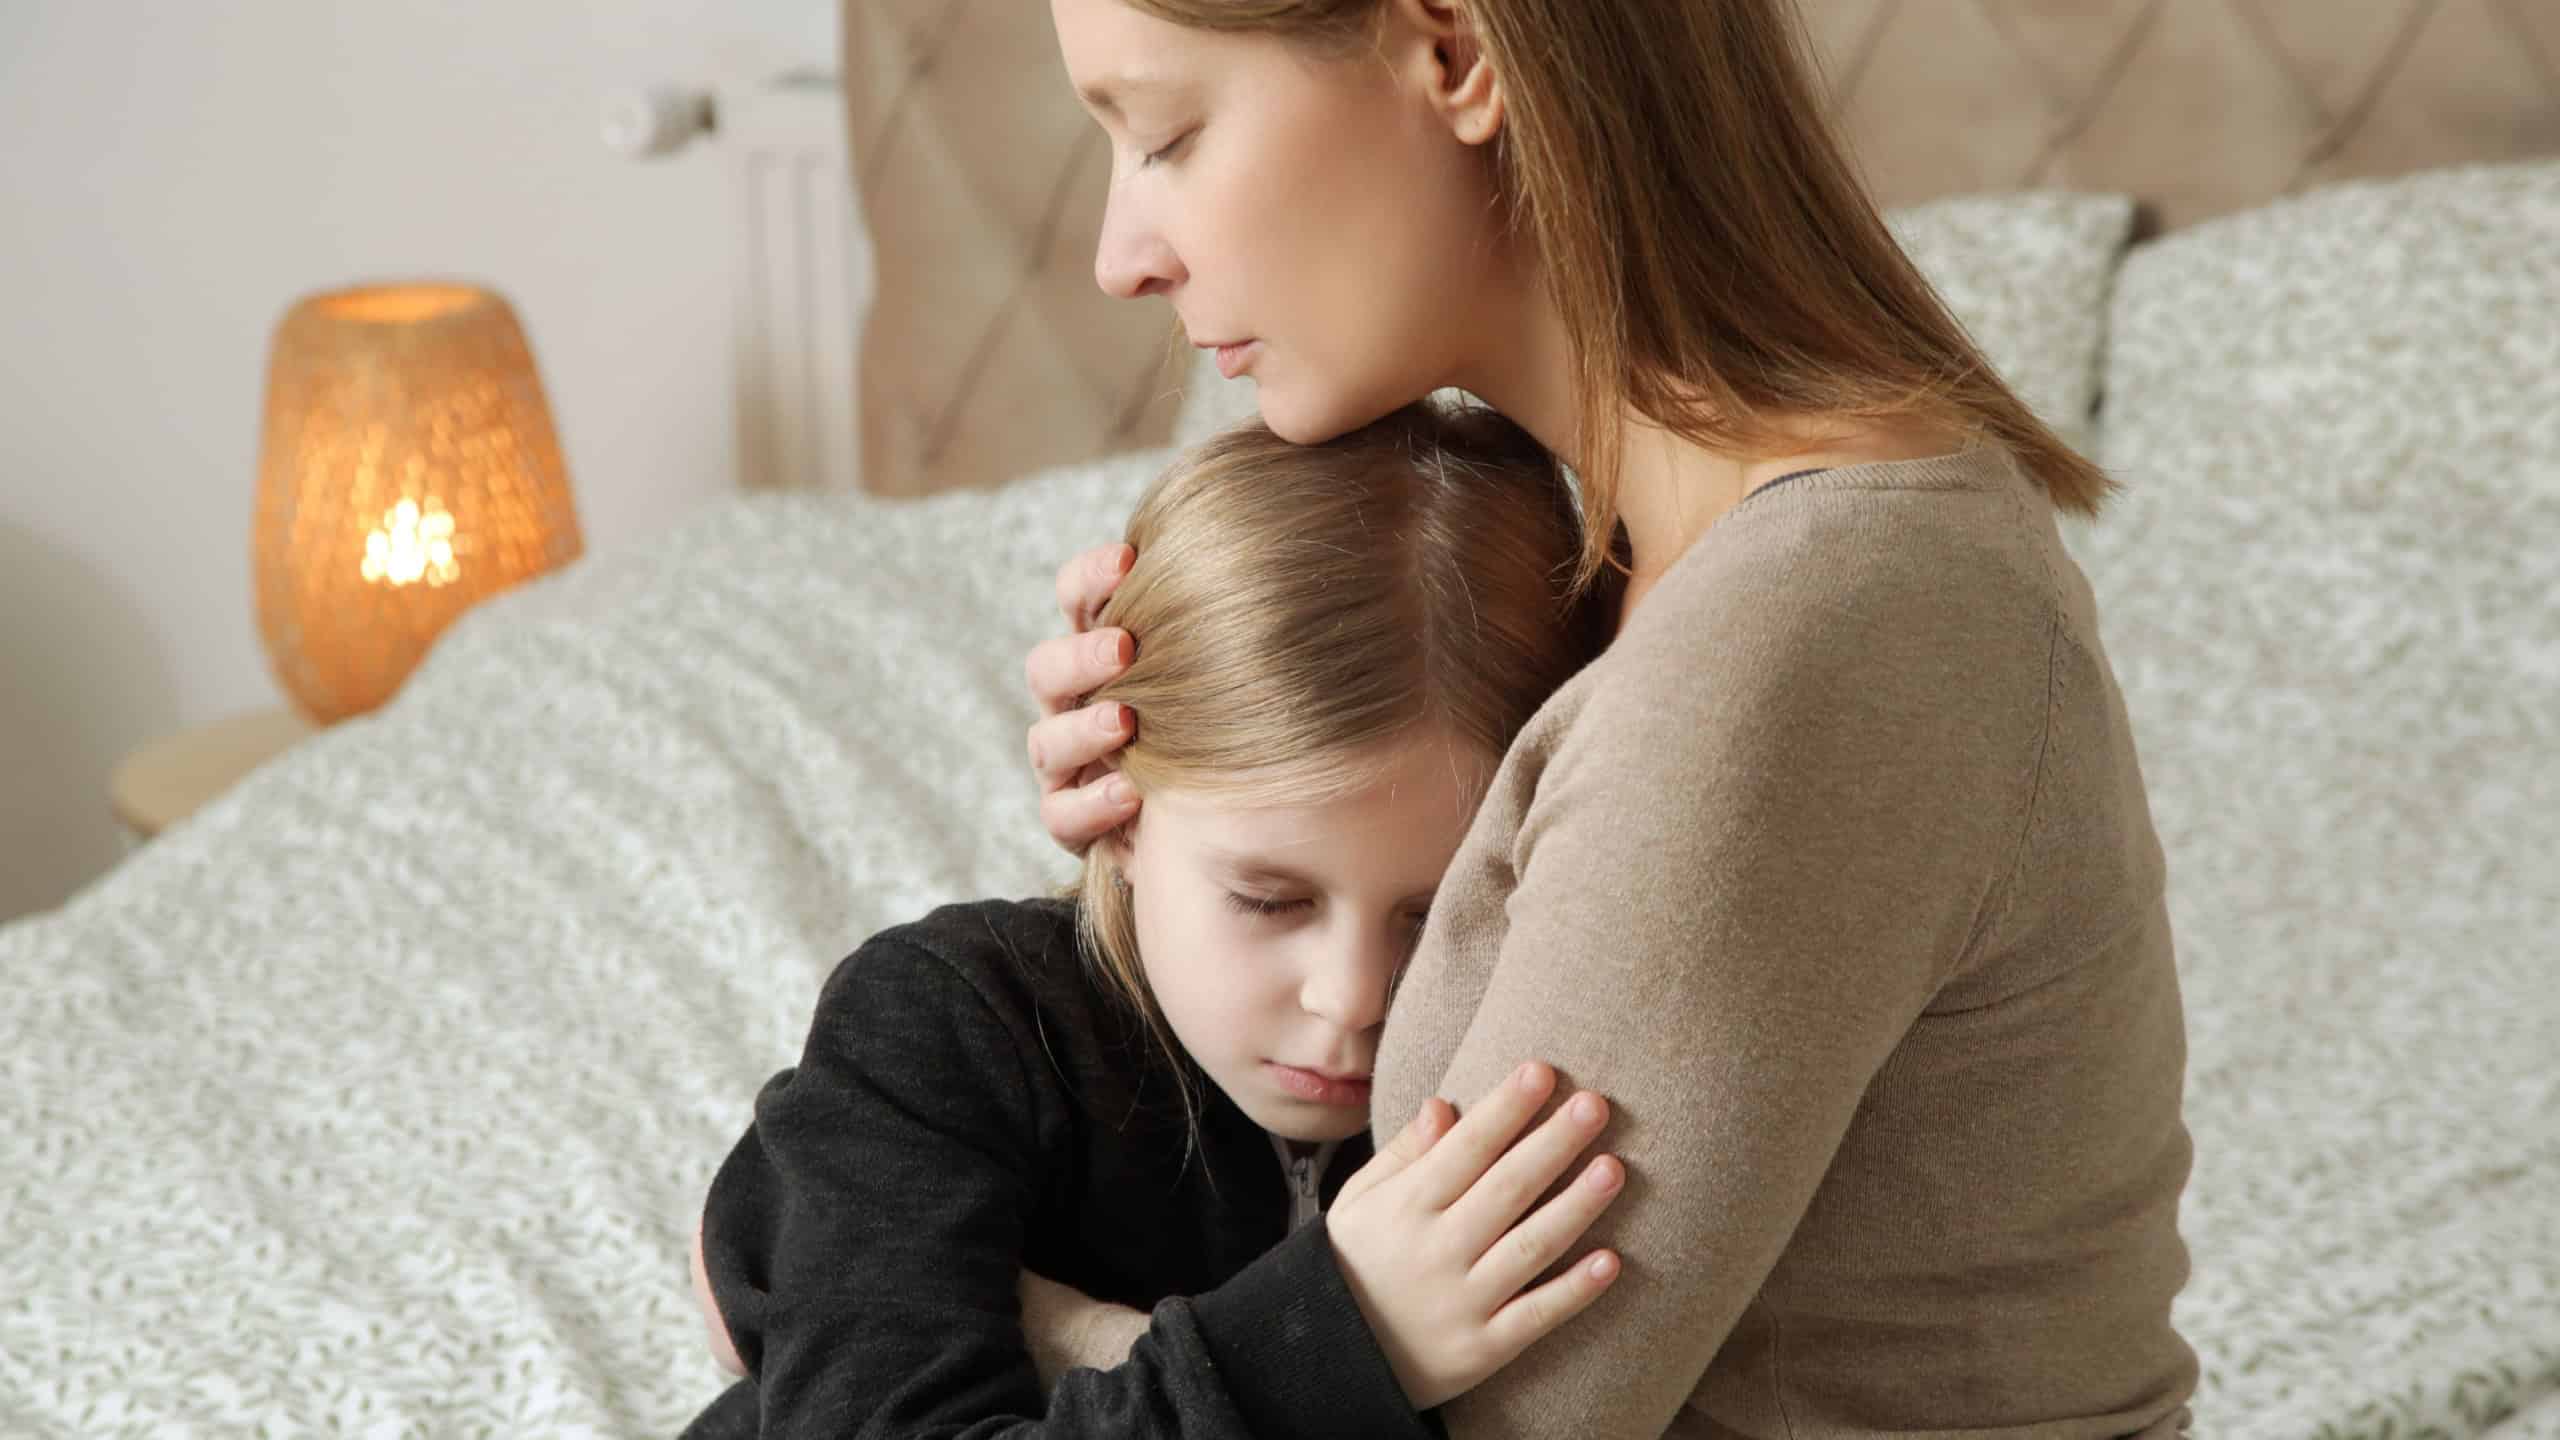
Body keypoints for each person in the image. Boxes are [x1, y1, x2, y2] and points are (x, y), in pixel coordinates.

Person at [1023, 1, 2200, 1436]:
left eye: (1166, 135)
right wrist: (1188, 848)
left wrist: (921, 1303)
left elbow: (1450, 1410)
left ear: (1455, 54)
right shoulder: (1672, 580)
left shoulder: (1802, 636)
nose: (1117, 256)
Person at [680, 404, 1631, 1440]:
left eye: (1438, 914)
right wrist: (1339, 1335)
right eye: (1269, 900)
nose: (1353, 997)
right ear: (1108, 796)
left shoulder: (1523, 1064)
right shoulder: (946, 1026)